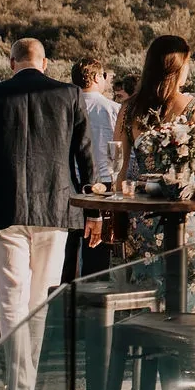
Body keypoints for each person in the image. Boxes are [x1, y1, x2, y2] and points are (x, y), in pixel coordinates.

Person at [0, 38, 94, 390]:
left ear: (11, 62)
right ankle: (27, 381)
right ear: (45, 63)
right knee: (41, 298)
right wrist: (93, 209)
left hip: (6, 207)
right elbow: (84, 156)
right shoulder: (69, 95)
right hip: (56, 206)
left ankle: (20, 385)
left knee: (10, 299)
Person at [117, 35, 195, 312]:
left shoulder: (128, 110)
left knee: (146, 308)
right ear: (178, 68)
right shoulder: (193, 108)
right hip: (184, 217)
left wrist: (118, 215)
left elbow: (120, 170)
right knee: (191, 307)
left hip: (143, 221)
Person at [70, 58, 119, 280]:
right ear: (98, 77)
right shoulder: (113, 109)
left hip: (71, 182)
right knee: (97, 249)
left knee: (68, 247)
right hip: (104, 184)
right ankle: (95, 297)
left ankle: (66, 295)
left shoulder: (67, 107)